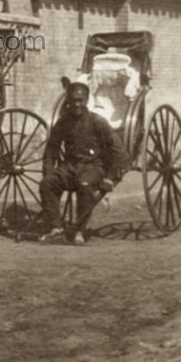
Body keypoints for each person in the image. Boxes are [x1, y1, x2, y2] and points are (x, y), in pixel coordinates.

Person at [39, 81, 128, 245]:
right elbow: (51, 151)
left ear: (87, 100)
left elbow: (118, 152)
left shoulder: (98, 122)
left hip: (93, 167)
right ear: (68, 101)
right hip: (69, 167)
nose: (77, 104)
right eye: (73, 100)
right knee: (47, 184)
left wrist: (109, 177)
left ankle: (80, 230)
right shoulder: (63, 122)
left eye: (81, 100)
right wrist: (49, 173)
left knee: (85, 185)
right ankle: (56, 228)